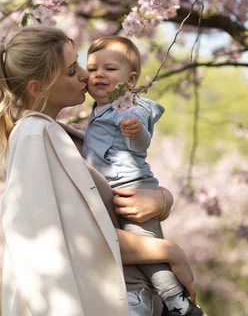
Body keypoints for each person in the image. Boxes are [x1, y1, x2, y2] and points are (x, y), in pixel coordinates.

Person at [0, 25, 195, 316]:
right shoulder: (33, 136)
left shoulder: (67, 136)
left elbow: (112, 201)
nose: (85, 75)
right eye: (71, 71)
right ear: (37, 87)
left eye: (79, 62)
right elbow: (74, 238)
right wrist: (167, 251)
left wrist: (162, 199)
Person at [82, 36, 203, 316]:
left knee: (150, 252)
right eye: (91, 69)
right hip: (117, 188)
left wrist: (137, 132)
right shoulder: (97, 111)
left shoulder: (129, 107)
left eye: (110, 69)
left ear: (132, 79)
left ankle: (178, 303)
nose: (98, 75)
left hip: (132, 187)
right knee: (143, 251)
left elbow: (141, 144)